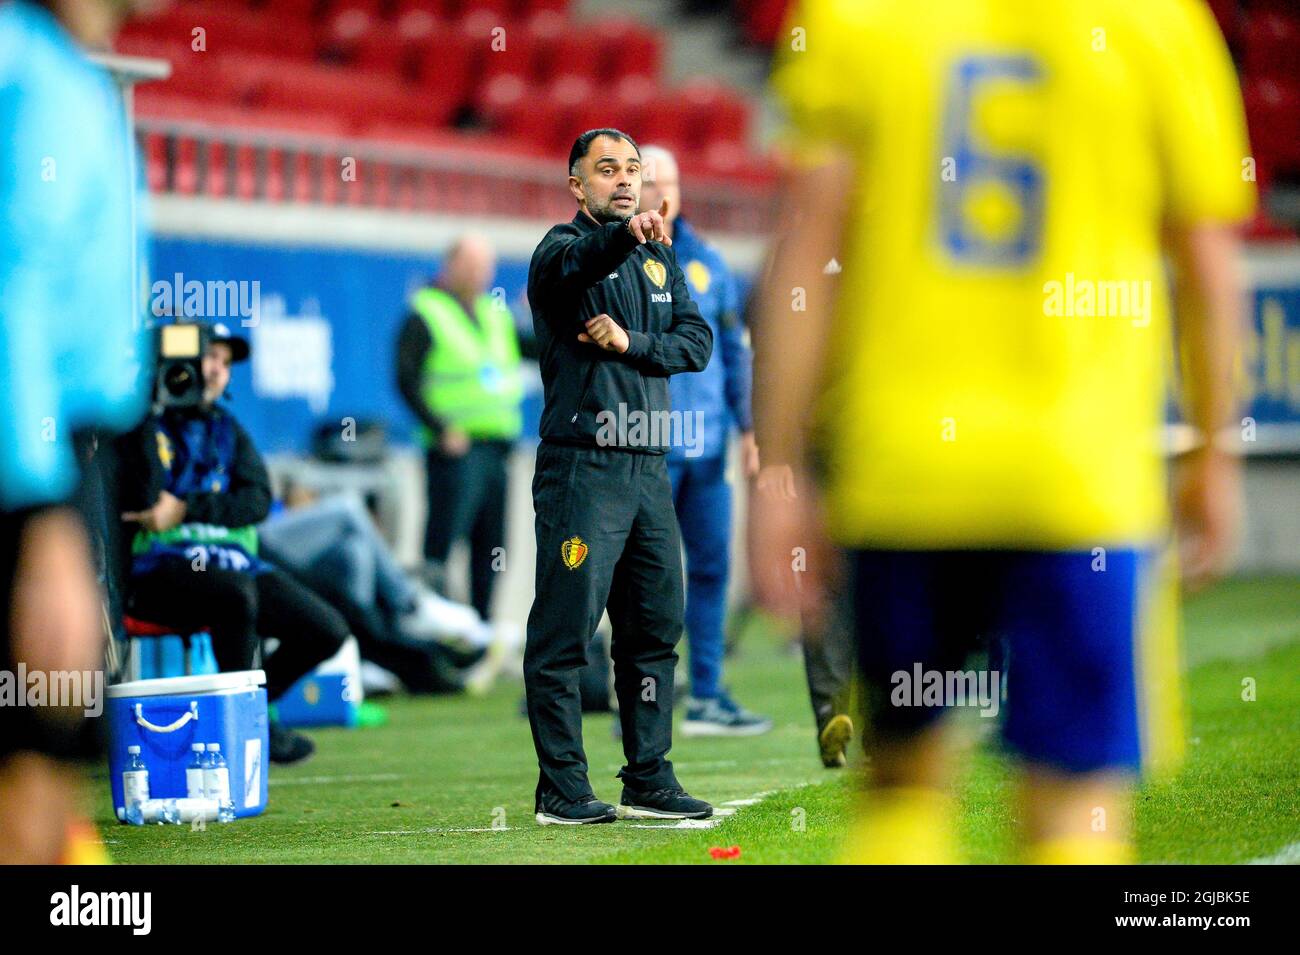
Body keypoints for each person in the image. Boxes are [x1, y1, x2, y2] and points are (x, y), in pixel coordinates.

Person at [750, 0, 1253, 863]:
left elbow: (809, 245)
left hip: (905, 476)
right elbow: (1206, 264)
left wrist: (782, 471)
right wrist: (1215, 453)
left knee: (902, 789)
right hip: (1079, 481)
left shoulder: (860, 17)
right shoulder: (1158, 23)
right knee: (1074, 809)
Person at [523, 128, 714, 825]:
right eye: (607, 170)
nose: (624, 179)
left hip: (647, 468)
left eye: (632, 169)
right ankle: (562, 788)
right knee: (565, 631)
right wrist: (626, 236)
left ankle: (648, 774)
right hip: (584, 468)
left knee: (656, 627)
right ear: (578, 185)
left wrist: (631, 341)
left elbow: (696, 342)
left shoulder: (659, 256)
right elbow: (584, 257)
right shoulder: (560, 252)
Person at [0, 0, 151, 864]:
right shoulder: (33, 77)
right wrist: (43, 521)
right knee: (33, 744)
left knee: (48, 743)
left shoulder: (62, 72)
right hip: (39, 461)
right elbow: (12, 291)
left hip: (69, 454)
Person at [118, 324, 349, 765]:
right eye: (209, 359)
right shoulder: (140, 423)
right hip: (157, 571)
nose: (217, 372)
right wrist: (150, 409)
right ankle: (243, 733)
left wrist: (186, 507)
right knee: (235, 595)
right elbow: (144, 495)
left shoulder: (227, 429)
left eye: (225, 364)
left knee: (326, 628)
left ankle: (252, 712)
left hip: (233, 564)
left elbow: (258, 500)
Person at [637, 145, 770, 737]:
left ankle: (709, 694)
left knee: (712, 568)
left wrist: (749, 428)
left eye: (670, 182)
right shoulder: (619, 261)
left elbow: (736, 355)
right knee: (647, 575)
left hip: (710, 445)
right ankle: (641, 697)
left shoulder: (710, 263)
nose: (661, 194)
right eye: (650, 182)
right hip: (650, 443)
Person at [395, 234, 523, 620]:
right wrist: (438, 428)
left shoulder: (495, 313)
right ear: (449, 265)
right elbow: (405, 378)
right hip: (455, 451)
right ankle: (437, 628)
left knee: (493, 547)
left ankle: (481, 631)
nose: (481, 274)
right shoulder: (425, 312)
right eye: (472, 265)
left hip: (496, 448)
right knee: (442, 544)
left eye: (486, 266)